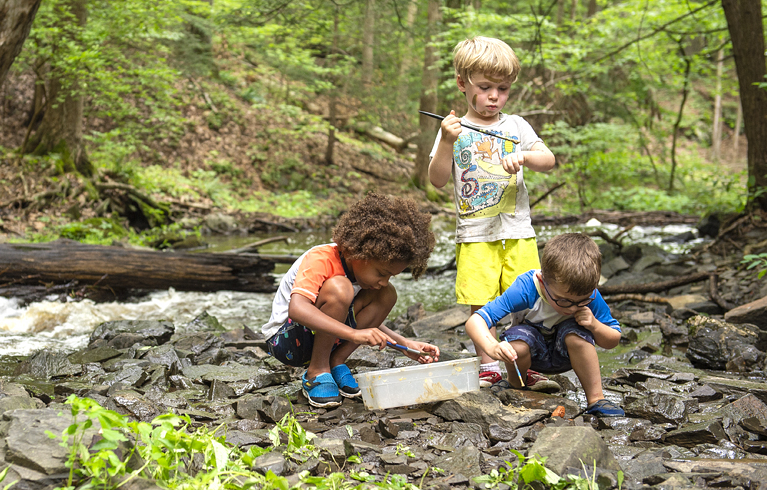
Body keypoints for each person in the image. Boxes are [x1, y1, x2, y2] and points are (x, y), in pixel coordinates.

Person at [428, 36, 557, 389]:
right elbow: (437, 180)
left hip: (518, 232)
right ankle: (487, 363)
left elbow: (549, 160)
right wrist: (447, 142)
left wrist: (526, 156)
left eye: (502, 88)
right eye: (484, 87)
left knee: (526, 301)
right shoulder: (451, 130)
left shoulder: (516, 126)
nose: (494, 96)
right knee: (480, 301)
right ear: (462, 83)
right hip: (475, 235)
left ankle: (521, 359)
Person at [261, 193, 440, 408]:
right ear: (359, 253)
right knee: (340, 289)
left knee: (387, 294)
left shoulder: (365, 277)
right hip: (286, 341)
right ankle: (316, 371)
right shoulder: (321, 258)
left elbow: (353, 317)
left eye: (391, 276)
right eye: (382, 273)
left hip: (322, 335)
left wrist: (403, 344)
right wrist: (354, 334)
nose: (384, 281)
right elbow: (298, 309)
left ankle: (335, 362)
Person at [464, 233, 625, 417]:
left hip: (567, 355)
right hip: (531, 357)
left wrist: (595, 325)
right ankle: (516, 384)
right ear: (542, 281)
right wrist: (491, 347)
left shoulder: (591, 295)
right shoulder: (526, 288)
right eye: (564, 301)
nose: (573, 308)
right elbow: (475, 321)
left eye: (581, 301)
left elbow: (613, 340)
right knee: (518, 339)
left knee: (576, 334)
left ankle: (596, 398)